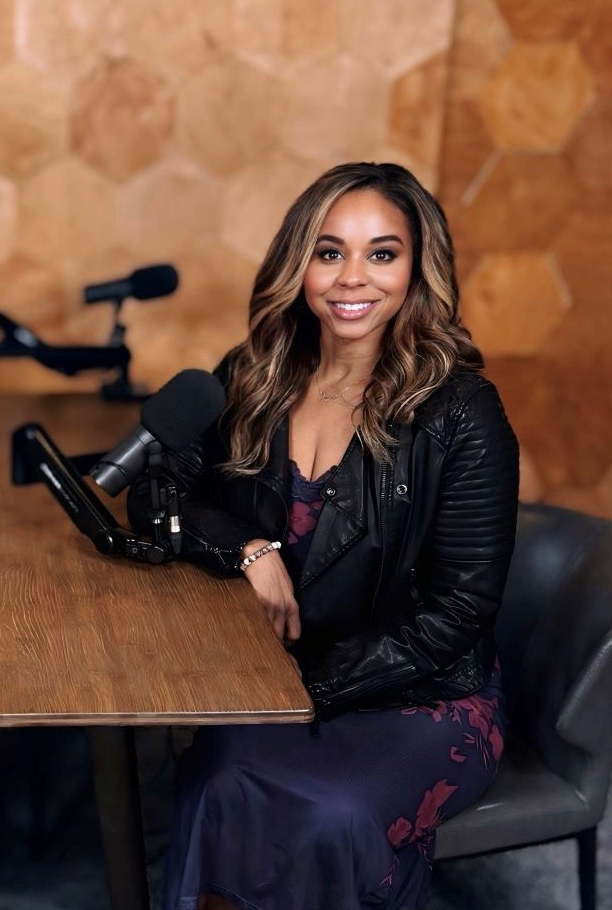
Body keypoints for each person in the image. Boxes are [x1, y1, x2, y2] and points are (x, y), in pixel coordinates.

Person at [128, 162, 519, 910]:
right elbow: (157, 494)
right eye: (329, 251)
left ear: (417, 267)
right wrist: (248, 550)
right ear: (298, 263)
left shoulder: (462, 412)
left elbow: (459, 611)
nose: (352, 278)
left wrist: (301, 689)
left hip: (420, 694)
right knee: (217, 779)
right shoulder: (251, 376)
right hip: (275, 682)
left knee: (328, 814)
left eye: (382, 253)